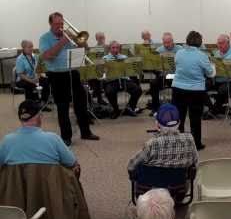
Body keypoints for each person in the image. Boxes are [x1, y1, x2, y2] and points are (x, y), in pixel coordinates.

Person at [39, 12, 99, 146]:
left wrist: (81, 42)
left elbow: (85, 49)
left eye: (61, 23)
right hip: (56, 75)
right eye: (57, 24)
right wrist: (62, 42)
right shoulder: (44, 38)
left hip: (73, 73)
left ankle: (86, 132)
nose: (60, 26)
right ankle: (66, 137)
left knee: (81, 103)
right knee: (62, 106)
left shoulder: (69, 36)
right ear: (50, 24)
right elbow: (48, 56)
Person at [0, 100, 81, 178]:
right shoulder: (53, 139)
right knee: (75, 167)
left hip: (16, 191)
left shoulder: (7, 141)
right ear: (40, 115)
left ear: (20, 118)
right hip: (50, 191)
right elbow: (73, 163)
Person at [127, 103, 198, 177]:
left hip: (151, 186)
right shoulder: (189, 139)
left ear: (157, 124)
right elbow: (195, 163)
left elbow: (131, 166)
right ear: (179, 123)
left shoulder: (152, 143)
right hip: (180, 186)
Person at [172, 31, 215, 150]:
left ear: (187, 41)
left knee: (179, 116)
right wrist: (212, 66)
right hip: (196, 91)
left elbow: (177, 65)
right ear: (200, 43)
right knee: (195, 118)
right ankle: (196, 143)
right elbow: (210, 74)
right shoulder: (202, 56)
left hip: (178, 88)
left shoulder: (179, 53)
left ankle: (178, 142)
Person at [103, 41, 142, 119]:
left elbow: (130, 70)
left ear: (119, 49)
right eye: (113, 48)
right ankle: (116, 110)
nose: (115, 49)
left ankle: (130, 107)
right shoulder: (105, 58)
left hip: (124, 79)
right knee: (109, 91)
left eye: (117, 48)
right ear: (109, 49)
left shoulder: (124, 57)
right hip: (112, 80)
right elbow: (102, 73)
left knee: (137, 90)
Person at [148, 32, 183, 114]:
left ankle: (175, 107)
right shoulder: (159, 50)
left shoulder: (180, 49)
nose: (166, 45)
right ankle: (155, 107)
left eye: (168, 42)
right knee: (153, 83)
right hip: (163, 75)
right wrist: (158, 69)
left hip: (175, 75)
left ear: (173, 41)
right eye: (164, 43)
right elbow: (154, 66)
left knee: (177, 84)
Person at [209, 34, 231, 114]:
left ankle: (214, 111)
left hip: (230, 81)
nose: (219, 45)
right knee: (201, 86)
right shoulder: (216, 53)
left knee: (222, 90)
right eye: (218, 43)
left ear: (228, 43)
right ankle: (213, 107)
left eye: (221, 43)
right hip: (216, 79)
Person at [15, 40, 51, 110]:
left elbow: (39, 68)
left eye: (32, 46)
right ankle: (30, 105)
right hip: (22, 79)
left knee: (45, 82)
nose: (31, 48)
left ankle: (43, 104)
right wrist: (32, 81)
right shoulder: (20, 59)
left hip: (34, 78)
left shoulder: (35, 56)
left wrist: (39, 75)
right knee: (29, 85)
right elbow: (20, 74)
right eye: (29, 47)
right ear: (23, 48)